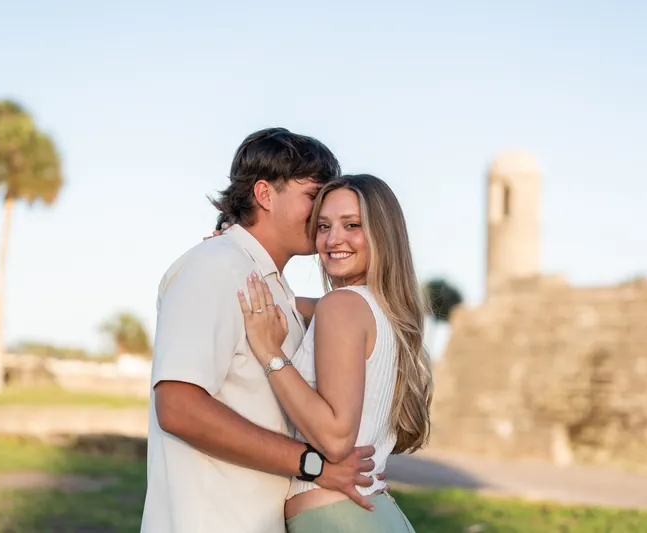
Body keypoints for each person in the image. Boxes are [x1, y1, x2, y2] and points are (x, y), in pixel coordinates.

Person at [141, 129, 385, 533]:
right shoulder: (216, 267)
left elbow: (354, 318)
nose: (322, 211)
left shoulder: (267, 285)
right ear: (265, 195)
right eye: (314, 195)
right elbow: (178, 406)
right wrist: (313, 466)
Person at [236, 174, 432, 532]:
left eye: (352, 225)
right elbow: (289, 305)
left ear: (382, 234)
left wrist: (270, 354)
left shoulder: (341, 306)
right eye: (323, 226)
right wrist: (234, 254)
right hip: (371, 514)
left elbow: (336, 439)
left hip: (338, 519)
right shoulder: (383, 311)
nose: (333, 239)